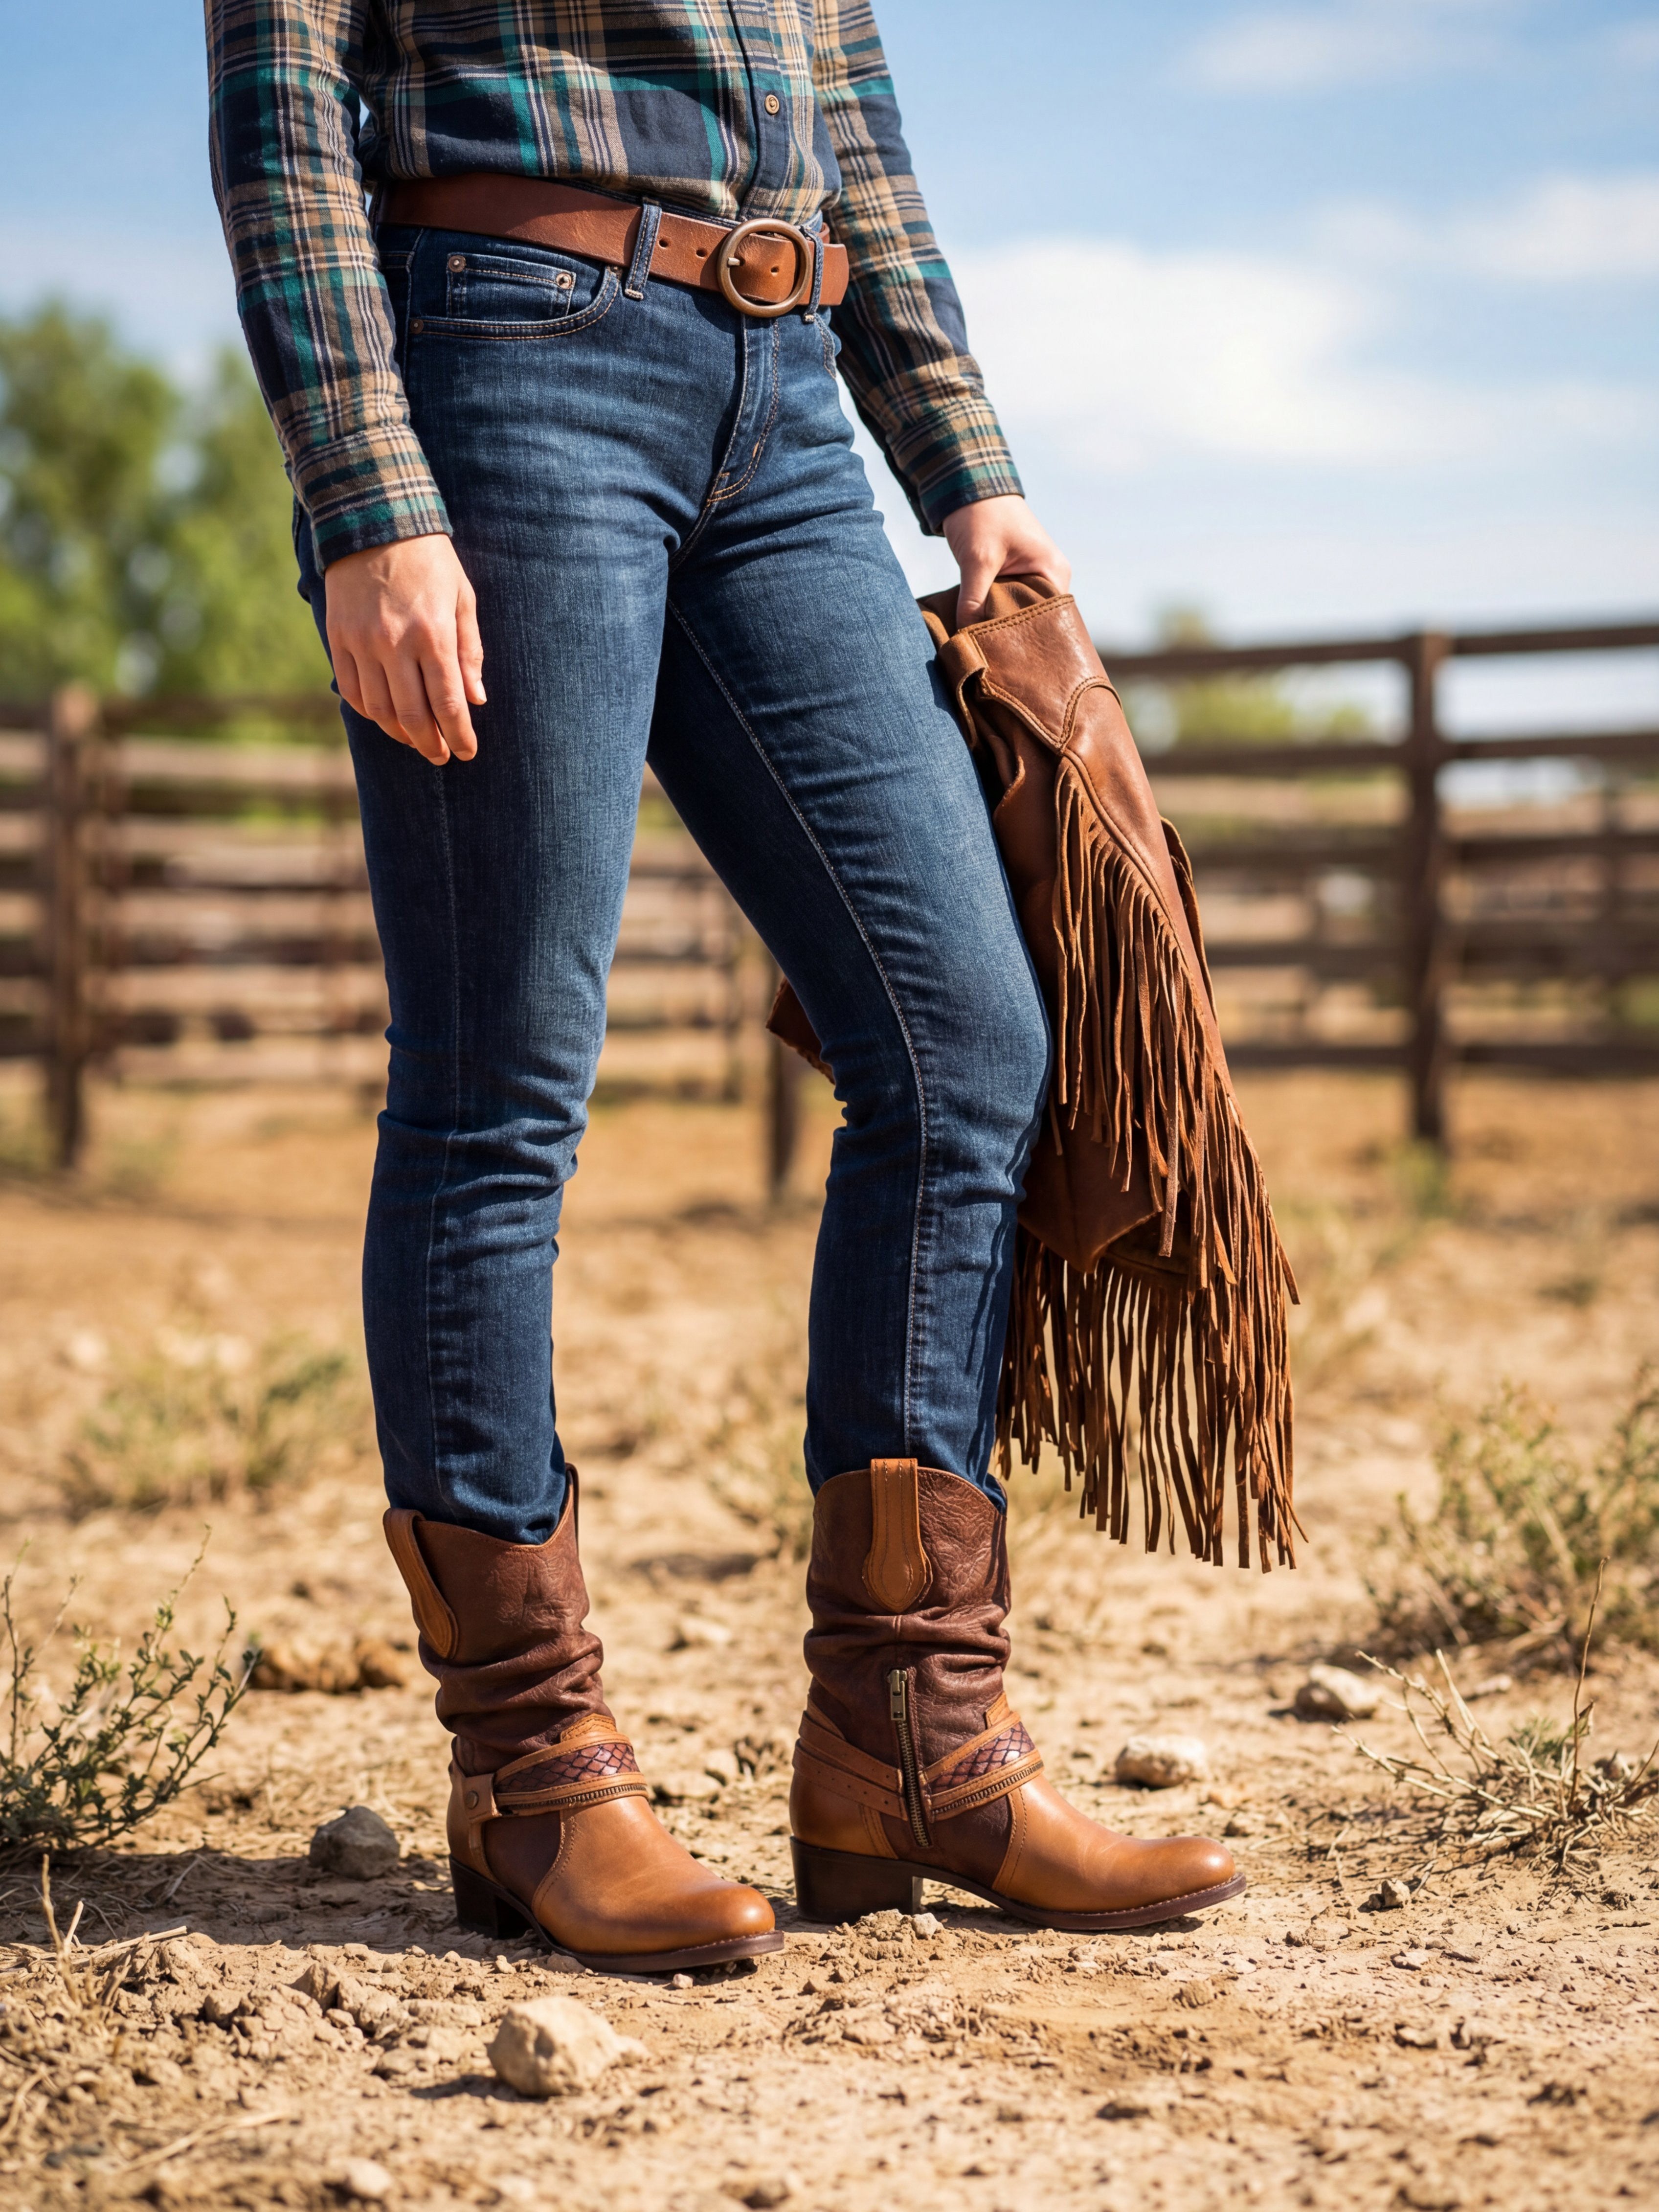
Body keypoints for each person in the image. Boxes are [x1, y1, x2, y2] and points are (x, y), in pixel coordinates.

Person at [207, 0, 1240, 1974]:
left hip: (783, 388)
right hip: (505, 348)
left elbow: (846, 101)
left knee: (965, 1043)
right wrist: (367, 492)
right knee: (499, 1079)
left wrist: (962, 458)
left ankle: (911, 1738)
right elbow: (280, 82)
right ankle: (531, 1777)